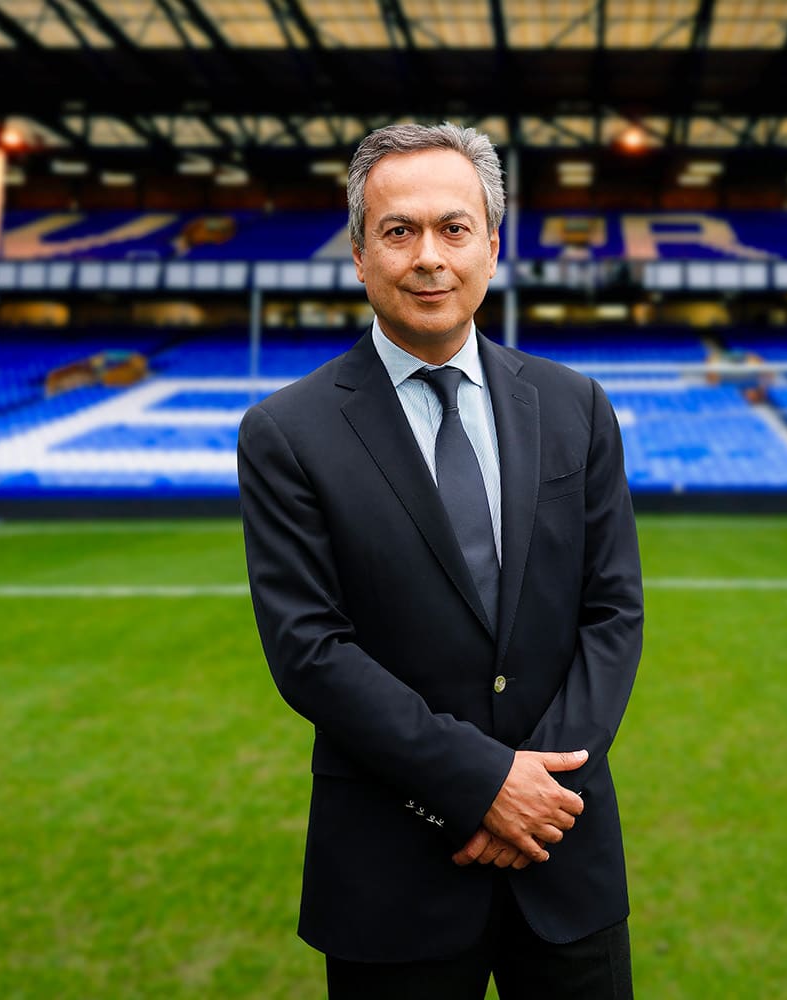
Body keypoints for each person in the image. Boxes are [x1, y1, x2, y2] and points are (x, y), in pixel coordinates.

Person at [237, 122, 644, 999]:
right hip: (394, 873)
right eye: (399, 231)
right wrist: (484, 784)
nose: (429, 256)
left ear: (492, 247)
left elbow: (613, 615)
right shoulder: (287, 433)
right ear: (358, 254)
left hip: (563, 854)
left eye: (454, 229)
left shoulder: (576, 408)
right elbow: (310, 650)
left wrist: (536, 795)